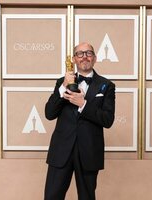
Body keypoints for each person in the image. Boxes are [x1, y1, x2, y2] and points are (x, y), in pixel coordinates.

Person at [44, 42, 115, 200]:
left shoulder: (107, 85)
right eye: (80, 54)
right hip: (61, 150)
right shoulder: (61, 82)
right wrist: (63, 87)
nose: (84, 57)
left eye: (88, 53)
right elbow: (49, 113)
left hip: (89, 151)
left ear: (95, 58)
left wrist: (83, 104)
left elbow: (108, 120)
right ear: (74, 60)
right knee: (52, 196)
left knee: (87, 197)